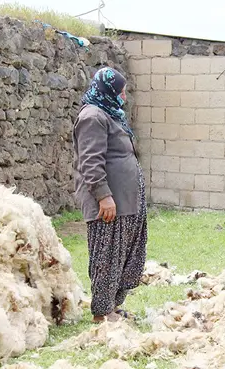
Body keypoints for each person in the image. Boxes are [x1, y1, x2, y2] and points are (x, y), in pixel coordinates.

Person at [72, 67, 147, 324]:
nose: (123, 97)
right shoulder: (92, 117)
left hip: (126, 200)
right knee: (106, 256)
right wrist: (104, 195)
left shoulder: (110, 113)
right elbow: (90, 161)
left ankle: (112, 306)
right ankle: (102, 312)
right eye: (120, 91)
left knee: (125, 255)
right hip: (109, 202)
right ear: (108, 91)